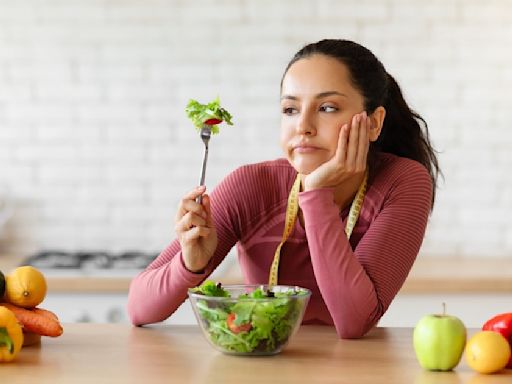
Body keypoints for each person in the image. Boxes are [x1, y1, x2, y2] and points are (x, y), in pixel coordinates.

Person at [127, 39, 440, 339]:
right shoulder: (252, 186)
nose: (303, 125)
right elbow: (138, 308)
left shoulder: (402, 182)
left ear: (373, 123)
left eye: (328, 107)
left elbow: (353, 322)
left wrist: (316, 193)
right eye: (290, 109)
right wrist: (190, 264)